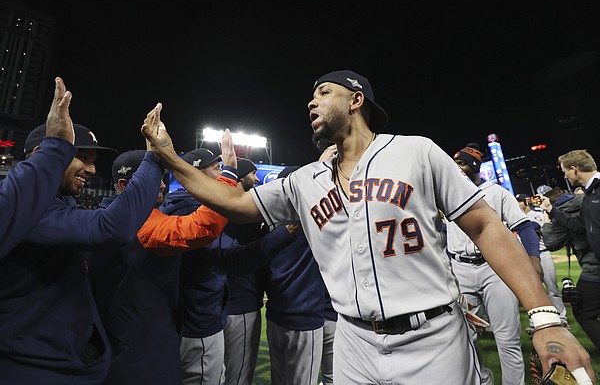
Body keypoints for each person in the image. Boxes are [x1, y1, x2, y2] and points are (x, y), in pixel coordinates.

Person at [143, 70, 595, 384]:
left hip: (431, 338)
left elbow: (487, 227)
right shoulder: (304, 180)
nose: (310, 102)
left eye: (323, 93)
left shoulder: (416, 151)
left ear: (356, 100)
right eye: (311, 96)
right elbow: (236, 202)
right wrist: (169, 157)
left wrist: (545, 318)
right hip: (353, 340)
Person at [0, 100, 170, 384]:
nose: (92, 169)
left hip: (57, 359)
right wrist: (153, 159)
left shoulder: (58, 201)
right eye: (83, 157)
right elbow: (112, 228)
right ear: (46, 155)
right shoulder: (32, 210)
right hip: (32, 368)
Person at [87, 146, 239, 385]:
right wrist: (228, 175)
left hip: (116, 342)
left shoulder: (97, 217)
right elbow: (203, 227)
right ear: (126, 185)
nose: (162, 185)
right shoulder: (142, 222)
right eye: (154, 178)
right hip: (144, 350)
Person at [160, 150, 299, 385]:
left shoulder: (173, 204)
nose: (223, 174)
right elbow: (237, 260)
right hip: (202, 320)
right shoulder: (194, 210)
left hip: (183, 319)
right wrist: (288, 231)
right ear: (196, 173)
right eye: (216, 169)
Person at [445, 143, 542, 385]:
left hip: (495, 270)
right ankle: (482, 381)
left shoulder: (496, 192)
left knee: (507, 339)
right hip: (460, 271)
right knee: (463, 339)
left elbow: (525, 226)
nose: (458, 169)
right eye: (455, 163)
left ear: (475, 167)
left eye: (463, 164)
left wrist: (533, 259)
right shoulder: (447, 193)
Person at [0, 77, 75, 257]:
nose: (92, 169)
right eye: (80, 156)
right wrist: (56, 148)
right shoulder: (36, 209)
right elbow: (107, 228)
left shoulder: (68, 200)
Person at [264, 165, 325, 385]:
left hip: (275, 315)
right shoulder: (316, 223)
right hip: (305, 319)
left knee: (279, 381)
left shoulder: (269, 224)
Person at [221, 158, 266, 385]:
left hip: (218, 307)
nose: (257, 179)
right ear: (240, 177)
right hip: (242, 304)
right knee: (238, 377)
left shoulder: (215, 206)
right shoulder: (245, 213)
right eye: (253, 174)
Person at [541, 186, 600, 354]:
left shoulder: (562, 211)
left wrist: (547, 217)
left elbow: (552, 242)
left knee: (583, 311)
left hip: (594, 266)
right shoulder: (587, 201)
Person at [515, 192, 568, 326]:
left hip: (543, 255)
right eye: (517, 202)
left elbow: (534, 226)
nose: (518, 204)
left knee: (552, 289)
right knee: (532, 290)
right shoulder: (515, 217)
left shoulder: (536, 214)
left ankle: (562, 319)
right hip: (524, 257)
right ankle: (535, 321)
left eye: (520, 201)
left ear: (526, 202)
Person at [541, 149, 600, 264]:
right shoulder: (589, 194)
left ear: (574, 169)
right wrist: (550, 209)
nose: (565, 177)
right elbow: (578, 225)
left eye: (565, 172)